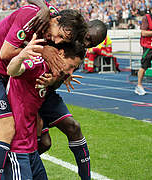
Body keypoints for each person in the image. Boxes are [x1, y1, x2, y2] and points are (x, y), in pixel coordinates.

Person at [0, 3, 88, 180]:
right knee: (6, 131)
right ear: (57, 19)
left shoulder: (52, 25)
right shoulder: (33, 16)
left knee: (43, 140)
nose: (56, 41)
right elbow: (5, 53)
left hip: (11, 76)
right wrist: (43, 49)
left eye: (63, 41)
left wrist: (60, 75)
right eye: (60, 35)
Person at [3, 34, 85, 179]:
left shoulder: (51, 73)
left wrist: (58, 78)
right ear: (60, 54)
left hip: (31, 147)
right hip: (18, 147)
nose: (71, 72)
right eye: (71, 66)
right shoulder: (37, 64)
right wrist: (22, 55)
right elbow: (12, 70)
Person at [36, 19, 107, 180]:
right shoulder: (58, 33)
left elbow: (55, 82)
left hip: (46, 92)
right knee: (44, 143)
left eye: (92, 44)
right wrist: (44, 49)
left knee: (73, 127)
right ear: (83, 27)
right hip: (28, 90)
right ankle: (13, 167)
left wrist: (62, 75)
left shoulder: (78, 50)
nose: (87, 44)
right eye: (88, 38)